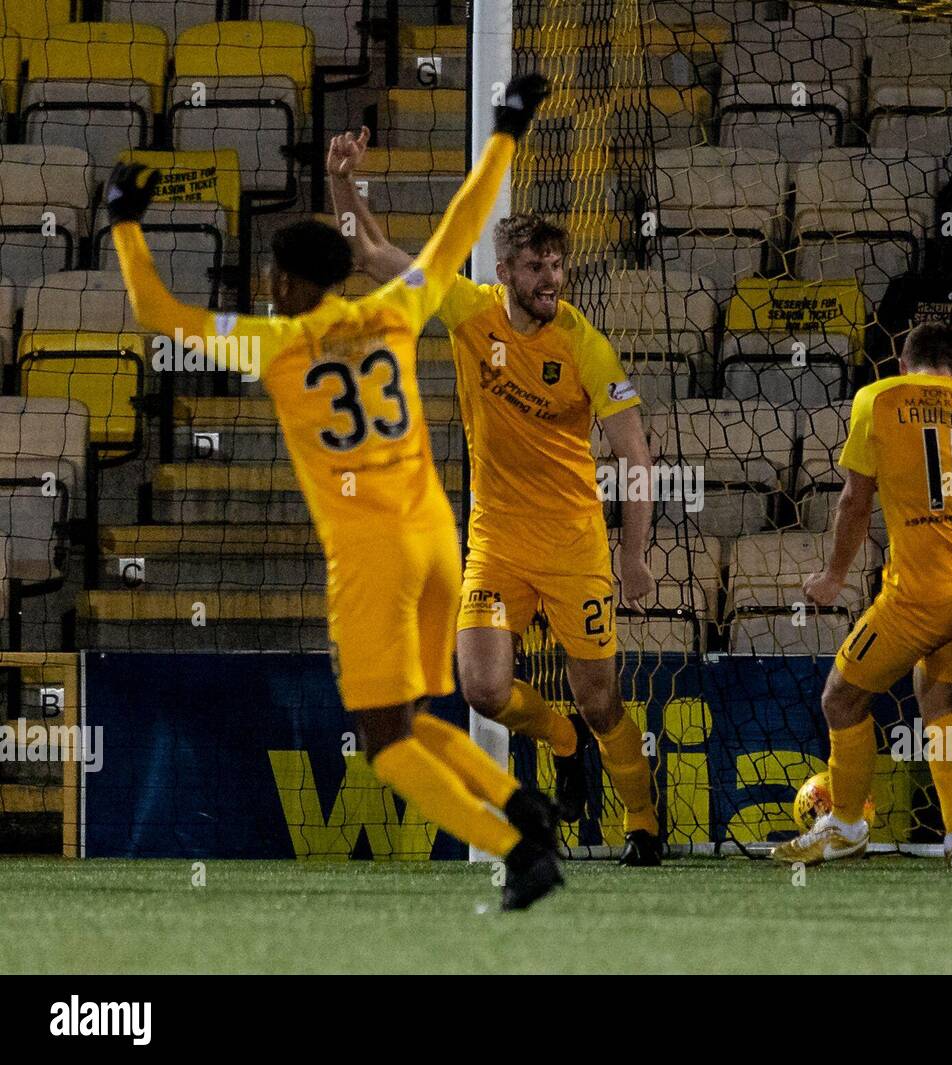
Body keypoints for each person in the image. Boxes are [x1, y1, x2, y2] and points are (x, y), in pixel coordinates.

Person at [109, 74, 565, 909]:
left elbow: (151, 306)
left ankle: (514, 850)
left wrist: (125, 220)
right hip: (438, 537)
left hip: (371, 553)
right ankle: (520, 802)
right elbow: (462, 222)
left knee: (382, 742)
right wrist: (507, 127)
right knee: (416, 717)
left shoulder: (273, 344)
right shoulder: (395, 309)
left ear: (286, 283)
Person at [327, 128, 662, 864]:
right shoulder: (466, 308)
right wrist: (344, 183)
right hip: (495, 541)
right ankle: (560, 737)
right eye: (537, 267)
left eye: (557, 265)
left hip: (574, 543)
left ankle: (643, 820)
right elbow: (370, 252)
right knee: (481, 689)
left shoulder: (586, 345)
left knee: (602, 695)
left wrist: (634, 556)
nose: (552, 278)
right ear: (505, 270)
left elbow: (636, 455)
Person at [774, 322, 952, 870]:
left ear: (904, 365)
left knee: (840, 699)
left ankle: (847, 827)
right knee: (939, 702)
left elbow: (855, 501)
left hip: (917, 596)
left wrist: (834, 577)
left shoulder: (876, 398)